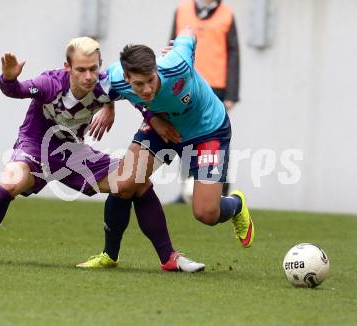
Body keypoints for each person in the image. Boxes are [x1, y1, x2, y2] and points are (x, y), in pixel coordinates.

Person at [0, 36, 204, 273]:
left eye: (93, 68)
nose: (89, 75)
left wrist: (147, 117)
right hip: (35, 146)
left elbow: (133, 94)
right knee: (11, 180)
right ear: (68, 67)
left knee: (133, 181)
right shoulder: (50, 83)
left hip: (72, 152)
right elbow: (18, 90)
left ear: (100, 65)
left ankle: (169, 257)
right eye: (81, 69)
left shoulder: (105, 85)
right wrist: (9, 79)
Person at [78, 27, 253, 268]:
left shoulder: (176, 64)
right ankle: (109, 255)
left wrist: (181, 43)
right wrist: (110, 107)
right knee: (125, 183)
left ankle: (236, 205)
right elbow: (102, 88)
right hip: (164, 128)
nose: (147, 89)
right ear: (127, 79)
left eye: (151, 80)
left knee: (206, 213)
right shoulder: (116, 77)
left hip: (207, 128)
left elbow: (190, 32)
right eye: (139, 84)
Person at [171, 0, 240, 196]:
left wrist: (232, 93)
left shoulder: (226, 14)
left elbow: (234, 53)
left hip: (215, 88)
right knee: (184, 137)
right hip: (185, 86)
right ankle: (187, 191)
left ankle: (221, 189)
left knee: (215, 140)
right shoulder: (182, 10)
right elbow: (171, 47)